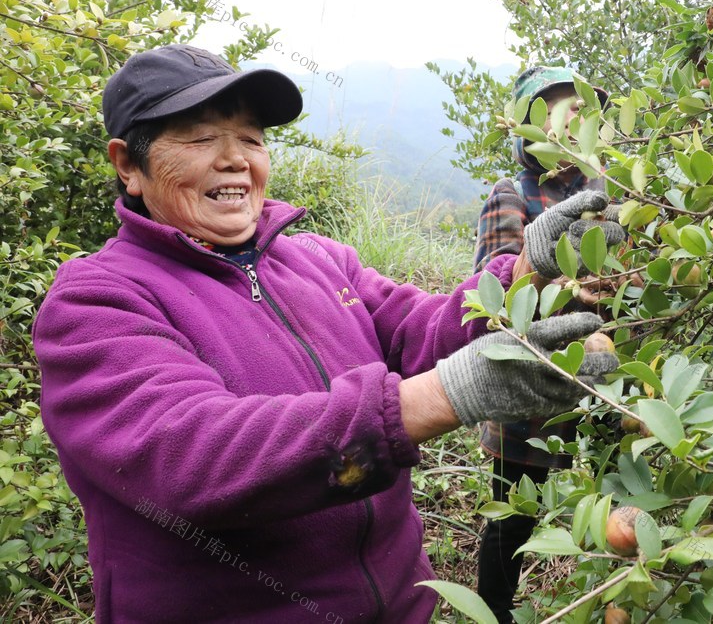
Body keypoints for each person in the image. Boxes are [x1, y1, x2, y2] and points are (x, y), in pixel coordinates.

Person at [32, 45, 626, 622]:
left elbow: (419, 328)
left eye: (251, 138)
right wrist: (446, 394)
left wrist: (524, 271)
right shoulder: (95, 302)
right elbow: (196, 457)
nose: (236, 158)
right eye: (201, 137)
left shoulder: (318, 258)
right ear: (128, 164)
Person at [474, 66, 613, 623]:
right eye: (560, 108)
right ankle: (493, 612)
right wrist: (573, 283)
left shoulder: (608, 190)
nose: (574, 119)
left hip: (605, 376)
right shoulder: (512, 194)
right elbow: (497, 291)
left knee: (614, 494)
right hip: (532, 381)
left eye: (582, 109)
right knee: (514, 513)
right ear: (531, 126)